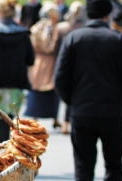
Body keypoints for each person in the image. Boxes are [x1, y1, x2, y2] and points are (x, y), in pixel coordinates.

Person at [54, 0, 122, 181]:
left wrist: (73, 101)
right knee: (113, 166)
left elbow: (60, 78)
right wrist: (120, 100)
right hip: (112, 112)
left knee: (83, 169)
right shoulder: (119, 39)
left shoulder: (73, 38)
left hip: (82, 112)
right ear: (108, 14)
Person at [0, 0, 35, 145]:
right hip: (16, 83)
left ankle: (0, 155)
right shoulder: (24, 34)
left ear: (1, 13)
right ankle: (8, 154)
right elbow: (31, 60)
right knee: (11, 120)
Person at [49, 1, 86, 134]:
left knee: (62, 92)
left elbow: (54, 48)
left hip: (62, 63)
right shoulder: (84, 27)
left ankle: (63, 122)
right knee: (75, 94)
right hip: (80, 65)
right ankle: (67, 122)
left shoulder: (61, 27)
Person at [24, 2, 62, 129]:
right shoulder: (54, 28)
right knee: (51, 90)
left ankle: (35, 118)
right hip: (50, 61)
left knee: (36, 88)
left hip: (37, 61)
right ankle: (55, 118)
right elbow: (54, 46)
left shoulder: (35, 27)